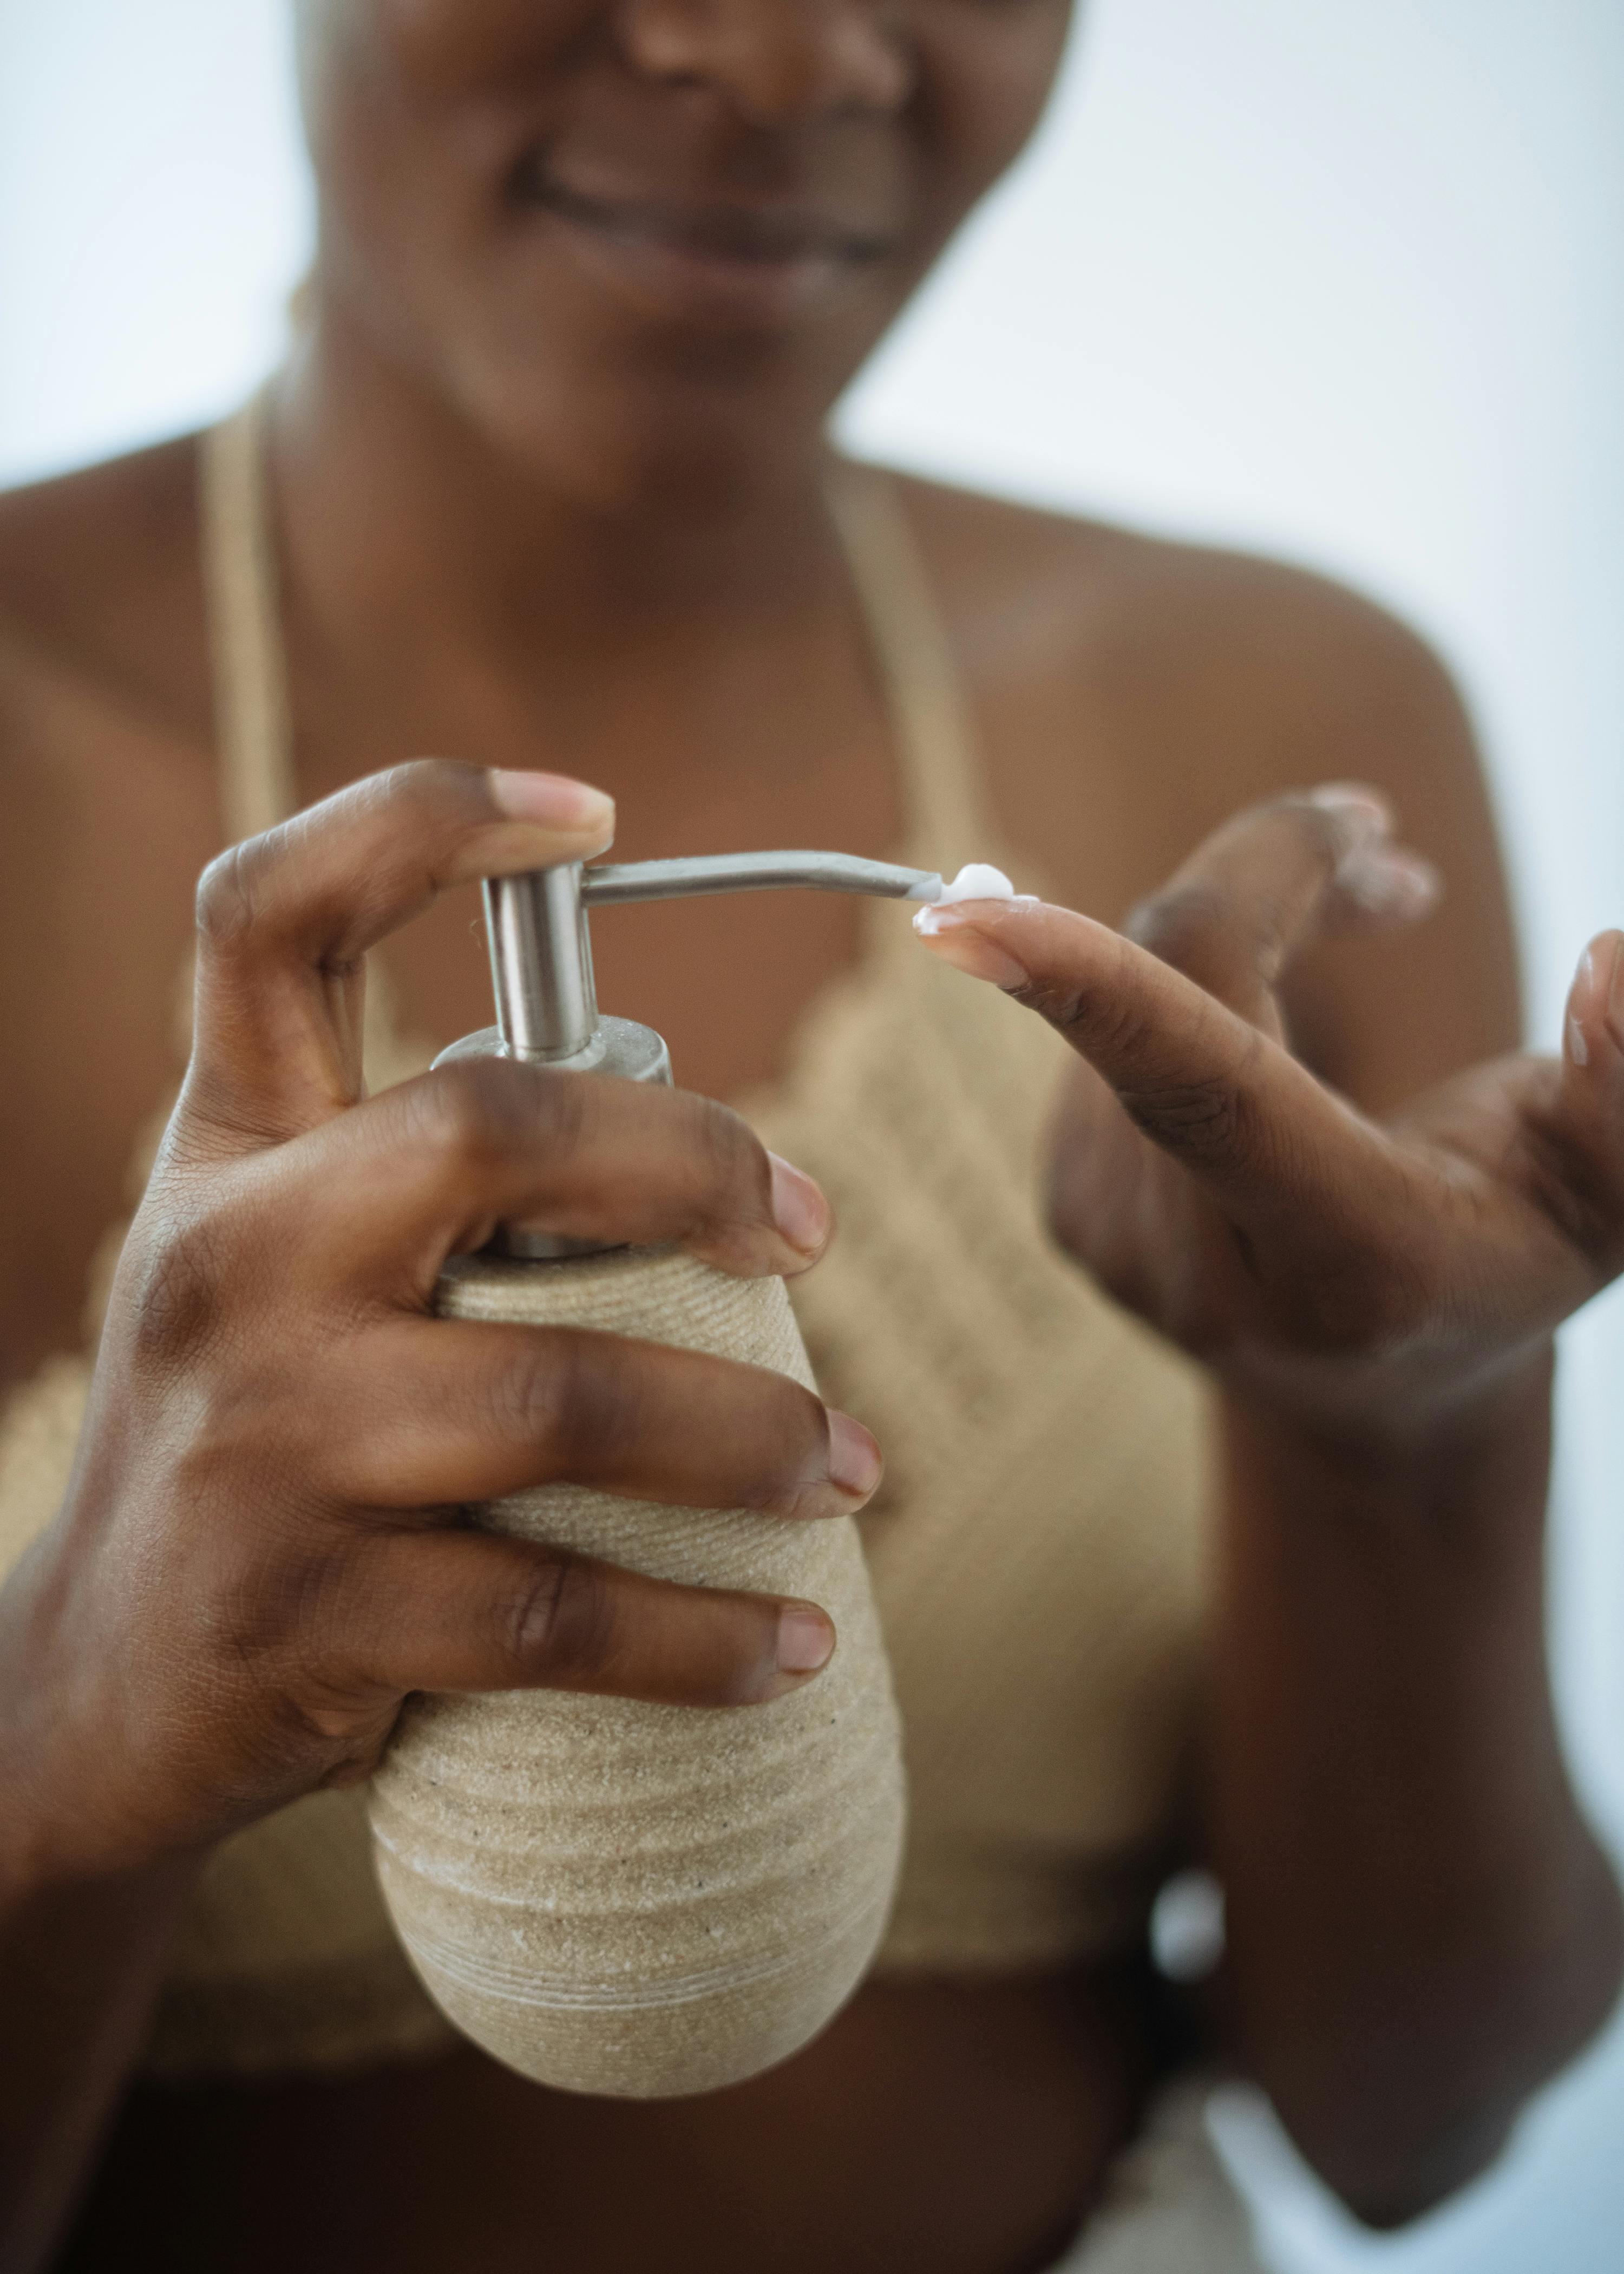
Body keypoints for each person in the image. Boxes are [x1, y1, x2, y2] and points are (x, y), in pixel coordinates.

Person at [1, 2, 1620, 2269]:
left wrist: (1401, 1442)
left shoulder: (1293, 731)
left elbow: (1406, 2126)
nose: (778, 63)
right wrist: (60, 1743)